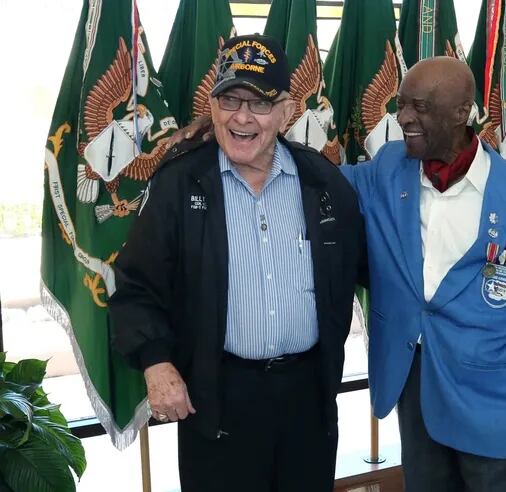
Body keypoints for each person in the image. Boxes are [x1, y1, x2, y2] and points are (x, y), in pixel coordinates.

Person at [172, 56, 506, 492]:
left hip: (497, 409)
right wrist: (235, 127)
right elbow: (314, 176)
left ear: (462, 112)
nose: (403, 118)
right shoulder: (388, 169)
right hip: (416, 395)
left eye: (420, 107)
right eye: (401, 105)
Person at [109, 34, 364, 492]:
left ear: (286, 111)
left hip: (308, 400)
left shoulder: (324, 183)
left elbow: (360, 266)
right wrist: (156, 362)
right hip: (218, 399)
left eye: (260, 103)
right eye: (230, 100)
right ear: (211, 106)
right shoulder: (179, 184)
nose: (242, 117)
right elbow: (135, 287)